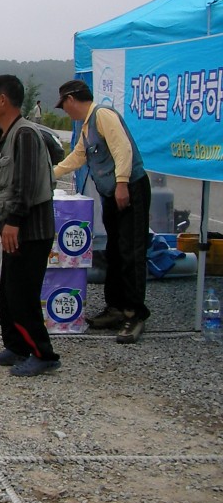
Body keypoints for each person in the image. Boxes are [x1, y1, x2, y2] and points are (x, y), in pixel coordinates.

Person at [0, 74, 60, 377]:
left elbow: (26, 183)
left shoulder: (25, 134)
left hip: (30, 231)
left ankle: (43, 354)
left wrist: (14, 222)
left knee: (23, 295)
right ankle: (16, 347)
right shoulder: (6, 135)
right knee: (9, 293)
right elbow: (2, 181)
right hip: (14, 229)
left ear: (3, 100)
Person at [53, 79, 150, 344]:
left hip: (129, 189)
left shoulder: (103, 115)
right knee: (114, 251)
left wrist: (122, 183)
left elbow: (123, 148)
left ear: (71, 99)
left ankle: (134, 314)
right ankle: (115, 307)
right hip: (111, 193)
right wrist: (50, 174)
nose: (65, 111)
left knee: (131, 251)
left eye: (64, 105)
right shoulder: (86, 127)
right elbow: (78, 157)